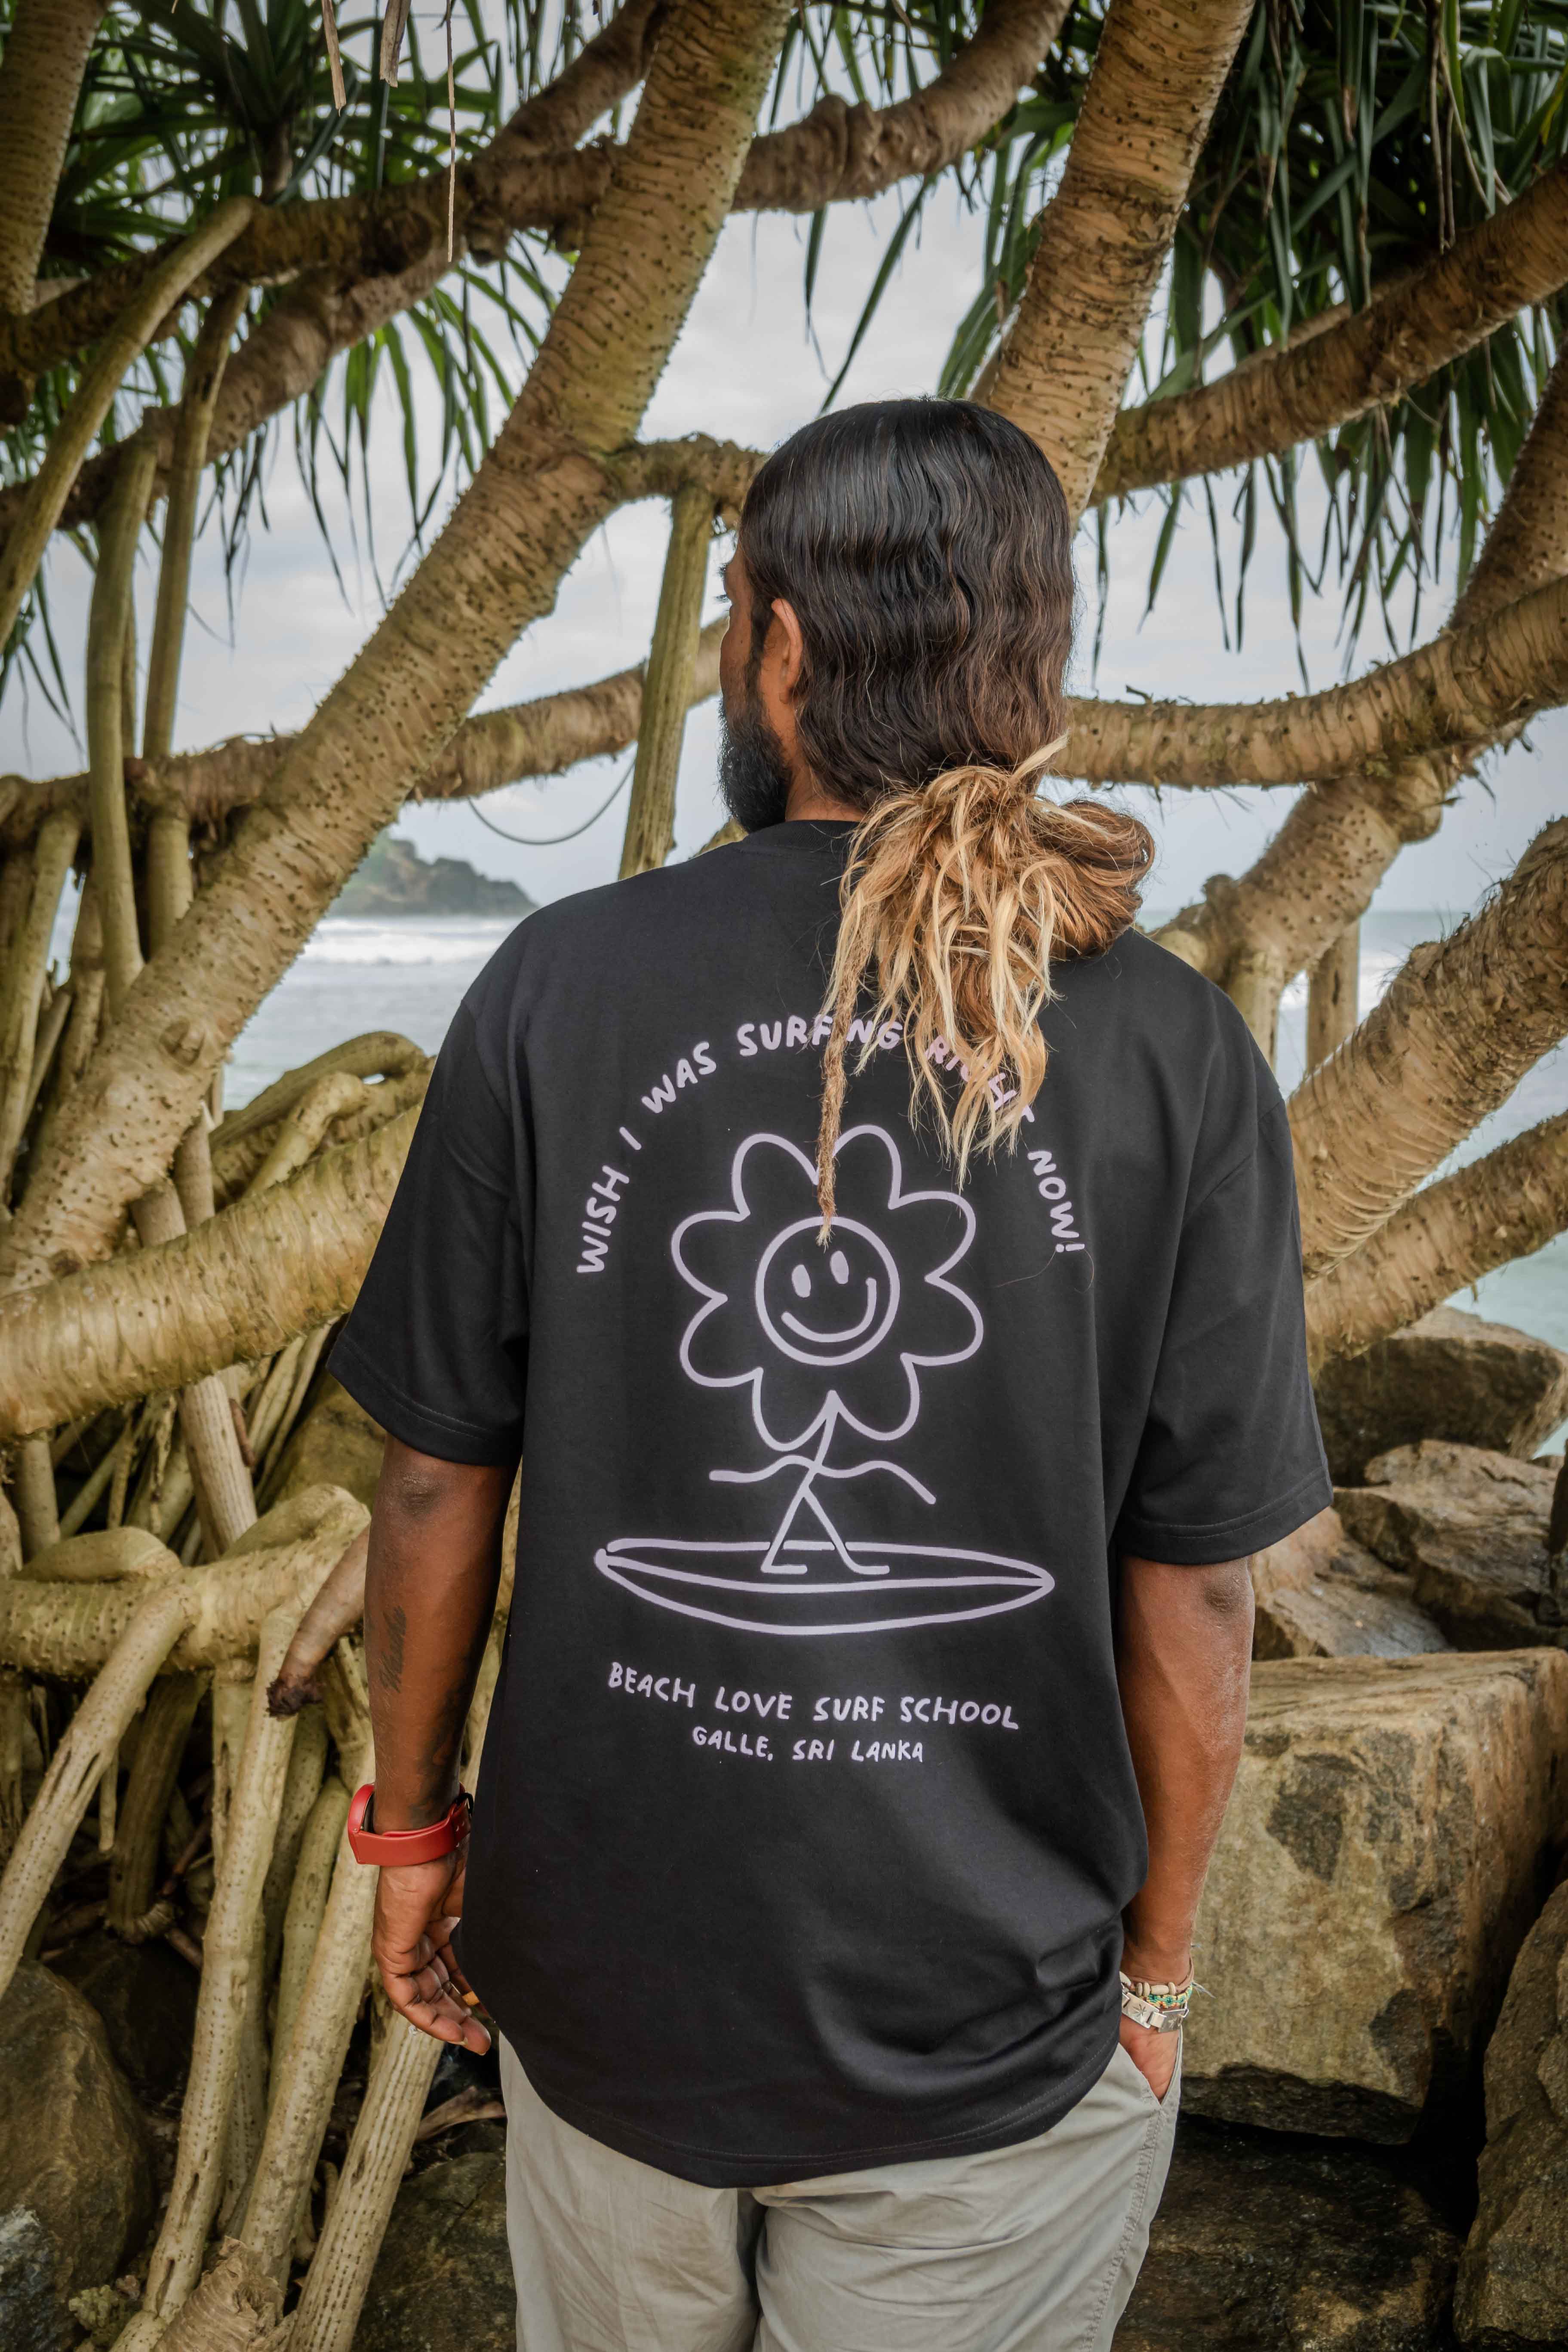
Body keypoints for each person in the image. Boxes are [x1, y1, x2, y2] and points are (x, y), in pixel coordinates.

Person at [330, 398, 1331, 2352]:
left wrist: (414, 1840)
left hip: (609, 1999)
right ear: (1027, 654)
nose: (726, 648)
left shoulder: (557, 986)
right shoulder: (1168, 1049)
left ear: (785, 648)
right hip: (991, 2038)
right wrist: (1158, 1982)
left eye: (729, 610)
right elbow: (1196, 1585)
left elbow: (437, 1479)